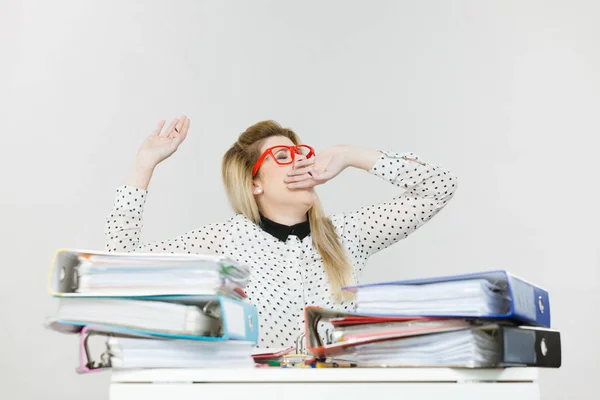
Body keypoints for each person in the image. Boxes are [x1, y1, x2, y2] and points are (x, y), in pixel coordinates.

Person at [105, 115, 458, 348]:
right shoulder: (224, 241)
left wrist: (350, 155)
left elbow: (439, 186)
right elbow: (123, 268)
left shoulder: (349, 234)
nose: (302, 162)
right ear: (254, 183)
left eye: (300, 153)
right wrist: (143, 165)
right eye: (283, 156)